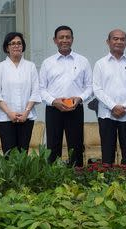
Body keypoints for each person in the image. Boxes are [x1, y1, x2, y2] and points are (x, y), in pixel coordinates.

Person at [39, 25, 93, 167]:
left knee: (75, 146)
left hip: (75, 108)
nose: (64, 40)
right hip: (53, 109)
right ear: (55, 40)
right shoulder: (47, 63)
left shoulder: (83, 61)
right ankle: (53, 179)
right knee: (53, 146)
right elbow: (41, 89)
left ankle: (77, 178)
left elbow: (90, 87)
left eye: (67, 37)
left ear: (72, 39)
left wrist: (80, 98)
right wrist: (53, 101)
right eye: (61, 37)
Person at [93, 29, 126, 165]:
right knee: (107, 153)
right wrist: (113, 106)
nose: (119, 42)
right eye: (115, 39)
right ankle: (107, 182)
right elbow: (97, 89)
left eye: (122, 39)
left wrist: (124, 106)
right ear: (108, 42)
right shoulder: (100, 64)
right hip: (107, 114)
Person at [0, 32, 41, 154]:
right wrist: (9, 113)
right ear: (7, 47)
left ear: (23, 46)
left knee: (23, 153)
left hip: (26, 118)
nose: (16, 46)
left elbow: (35, 91)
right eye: (12, 43)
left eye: (19, 43)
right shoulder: (0, 67)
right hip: (5, 118)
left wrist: (26, 112)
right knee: (8, 153)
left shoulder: (30, 66)